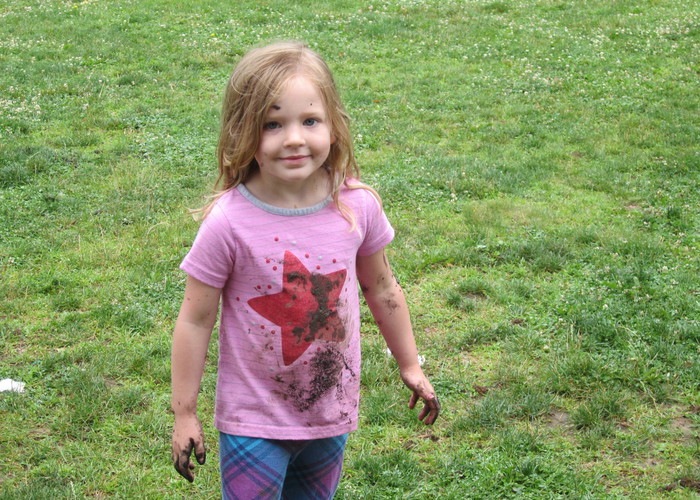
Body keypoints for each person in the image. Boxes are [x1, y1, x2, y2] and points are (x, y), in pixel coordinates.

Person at [171, 40, 440, 499]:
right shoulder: (228, 222)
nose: (294, 138)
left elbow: (382, 288)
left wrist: (410, 363)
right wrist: (184, 412)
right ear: (242, 132)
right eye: (272, 124)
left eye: (310, 120)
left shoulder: (356, 206)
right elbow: (195, 320)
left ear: (334, 125)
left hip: (329, 411)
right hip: (252, 419)